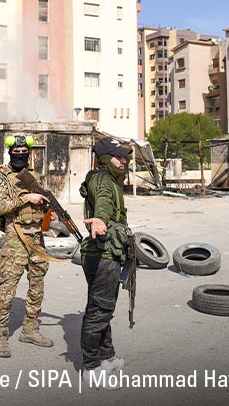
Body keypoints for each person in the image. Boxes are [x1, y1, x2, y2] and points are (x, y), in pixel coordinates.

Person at [0, 135, 54, 358]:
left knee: (37, 285)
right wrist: (28, 198)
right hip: (16, 239)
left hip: (36, 238)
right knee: (8, 288)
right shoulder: (1, 177)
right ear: (9, 153)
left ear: (29, 152)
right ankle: (0, 335)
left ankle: (30, 328)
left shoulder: (33, 175)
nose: (19, 155)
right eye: (15, 152)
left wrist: (46, 210)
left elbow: (40, 205)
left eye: (23, 152)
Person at [79, 138, 133, 385]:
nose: (123, 161)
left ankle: (107, 357)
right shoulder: (102, 181)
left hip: (106, 255)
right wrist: (100, 219)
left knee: (104, 310)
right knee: (98, 311)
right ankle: (91, 366)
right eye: (117, 157)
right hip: (103, 257)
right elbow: (102, 202)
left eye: (124, 157)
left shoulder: (110, 180)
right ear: (103, 159)